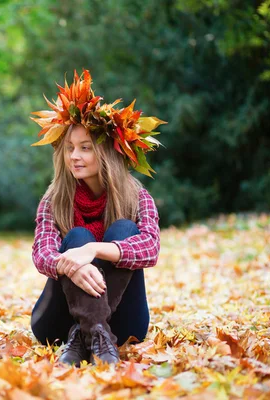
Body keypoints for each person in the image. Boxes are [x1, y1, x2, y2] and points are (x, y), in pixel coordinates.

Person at [29, 69, 165, 366]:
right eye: (69, 148)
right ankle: (92, 332)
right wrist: (73, 267)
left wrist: (92, 251)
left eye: (85, 148)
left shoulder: (136, 196)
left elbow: (150, 248)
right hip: (56, 324)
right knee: (77, 236)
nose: (74, 156)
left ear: (105, 153)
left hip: (124, 325)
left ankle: (84, 333)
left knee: (124, 229)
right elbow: (42, 254)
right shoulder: (54, 198)